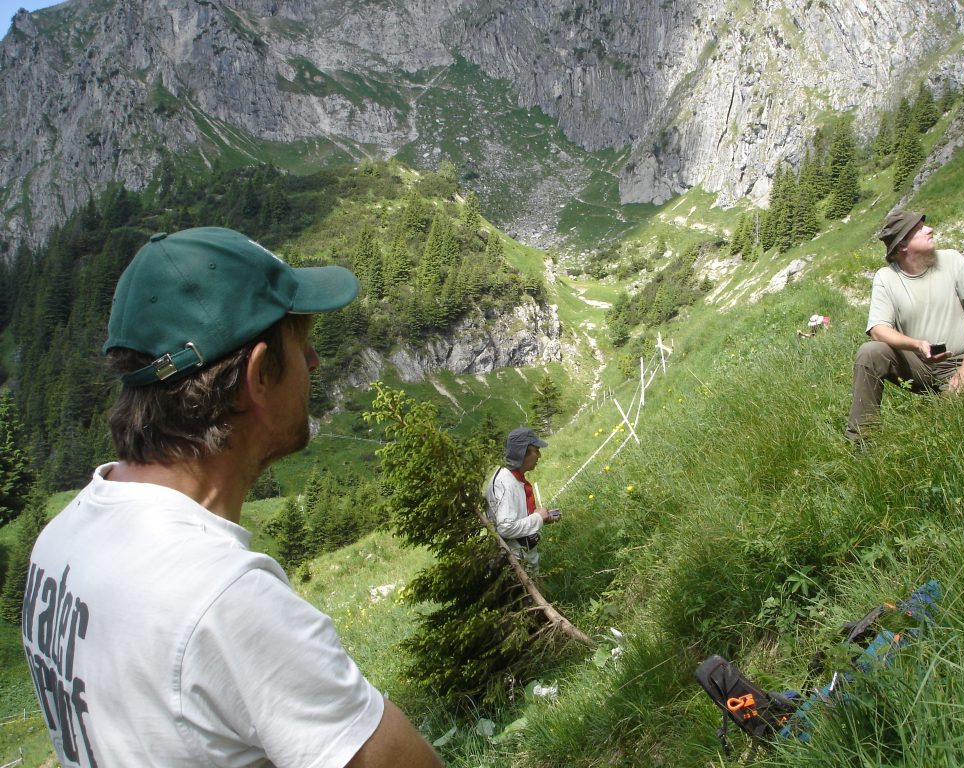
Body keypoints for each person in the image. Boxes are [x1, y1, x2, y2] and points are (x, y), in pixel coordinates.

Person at [19, 227, 442, 768]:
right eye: (300, 342)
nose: (313, 361)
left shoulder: (61, 539)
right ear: (257, 374)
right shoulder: (225, 601)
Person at [845, 211, 964, 441]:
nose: (929, 230)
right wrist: (916, 345)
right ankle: (862, 441)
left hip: (959, 361)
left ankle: (951, 395)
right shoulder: (886, 278)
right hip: (919, 364)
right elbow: (878, 329)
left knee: (958, 429)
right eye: (920, 229)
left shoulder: (952, 260)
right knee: (870, 352)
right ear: (903, 245)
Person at [484, 427, 560, 572]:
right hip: (516, 563)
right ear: (523, 453)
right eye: (536, 450)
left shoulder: (512, 478)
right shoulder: (505, 483)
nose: (539, 456)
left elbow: (515, 518)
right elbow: (505, 527)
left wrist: (543, 518)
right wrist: (538, 518)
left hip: (523, 557)